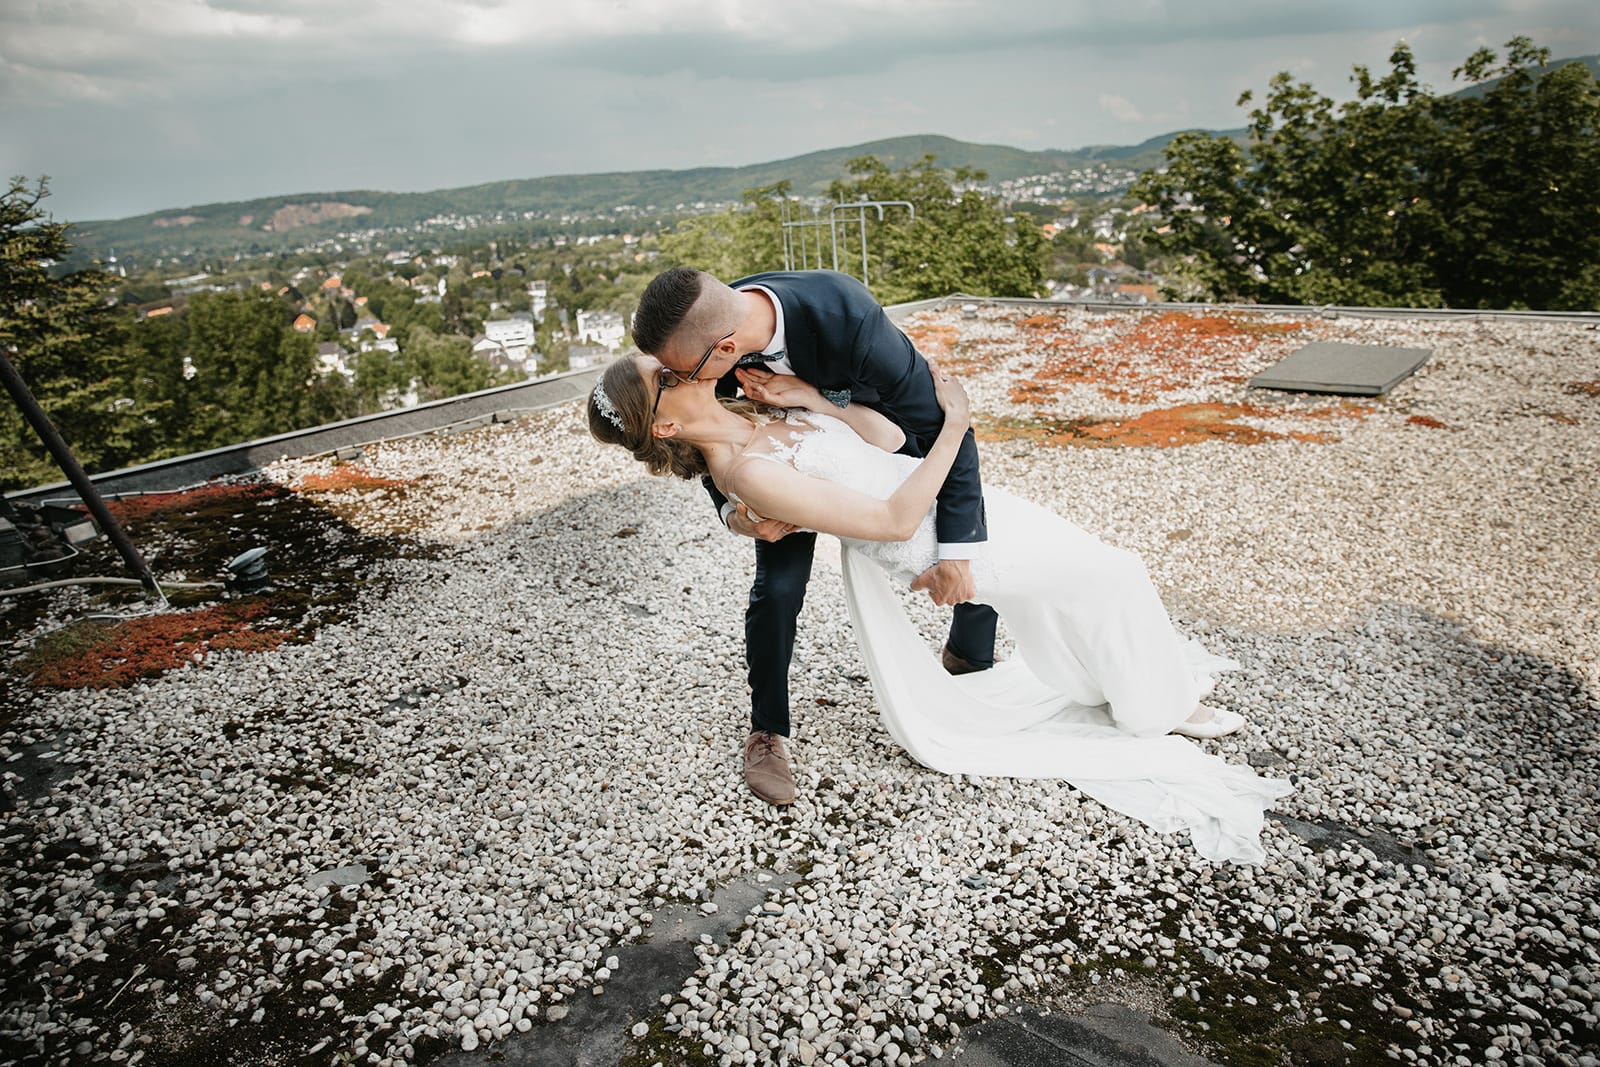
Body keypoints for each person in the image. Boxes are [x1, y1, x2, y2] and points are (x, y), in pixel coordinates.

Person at [587, 353, 1291, 864]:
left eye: (666, 366)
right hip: (932, 540)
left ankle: (1112, 679)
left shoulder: (758, 406)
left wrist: (814, 400)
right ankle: (1153, 709)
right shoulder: (746, 476)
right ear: (667, 426)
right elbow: (892, 519)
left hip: (963, 513)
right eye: (664, 382)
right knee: (1114, 570)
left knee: (1078, 583)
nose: (678, 369)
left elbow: (886, 441)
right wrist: (955, 426)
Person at [631, 268, 999, 807]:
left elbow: (944, 425)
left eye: (683, 372)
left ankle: (970, 648)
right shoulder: (705, 324)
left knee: (960, 535)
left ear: (727, 348)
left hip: (873, 433)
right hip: (775, 467)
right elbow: (705, 432)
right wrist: (736, 513)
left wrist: (958, 553)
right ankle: (767, 731)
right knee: (777, 586)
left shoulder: (846, 318)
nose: (682, 382)